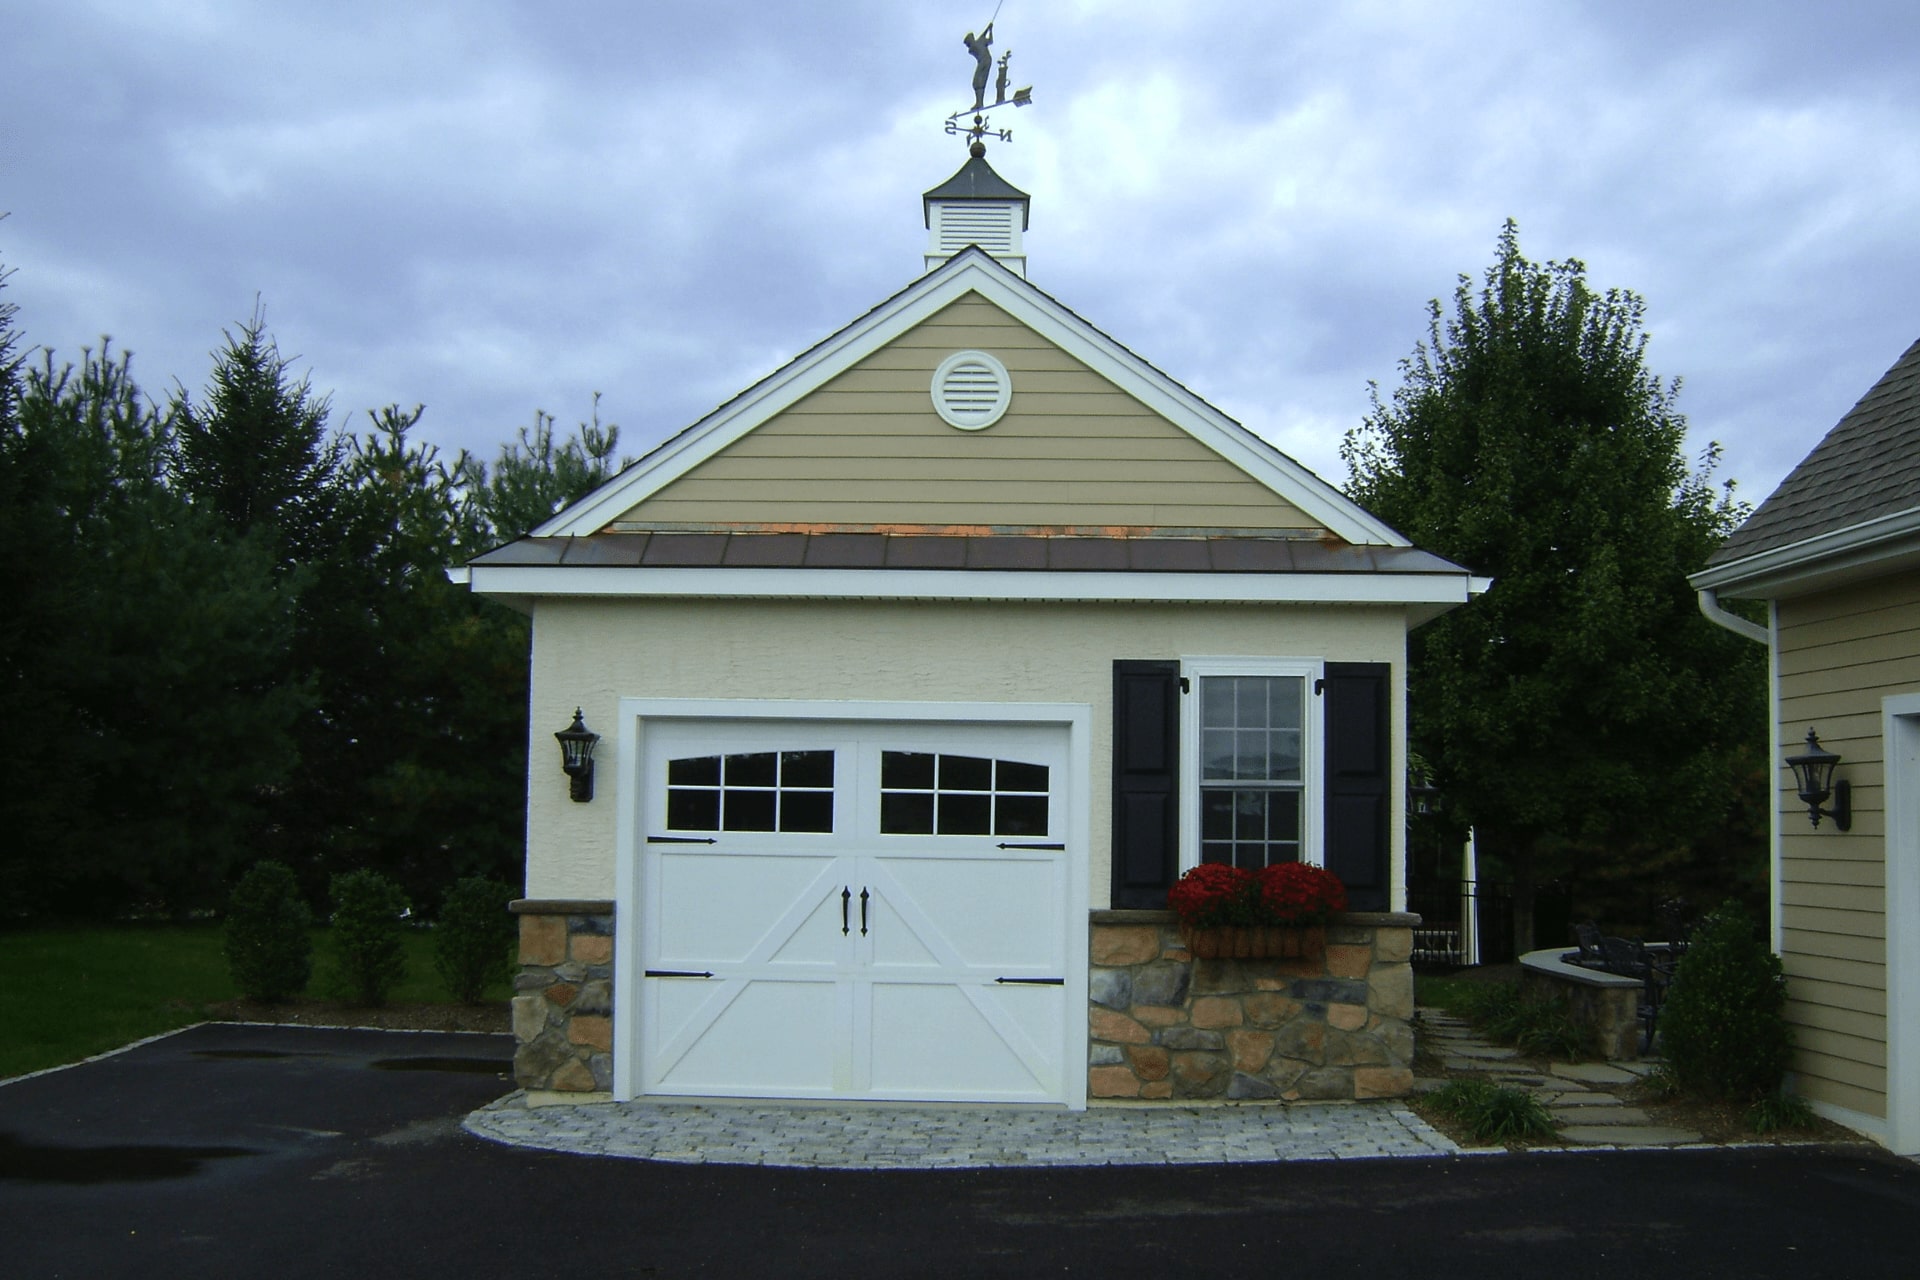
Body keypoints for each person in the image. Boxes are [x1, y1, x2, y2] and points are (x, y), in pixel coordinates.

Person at [964, 23, 994, 110]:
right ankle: (979, 102)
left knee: (978, 82)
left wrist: (989, 30)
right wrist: (989, 29)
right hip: (984, 61)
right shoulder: (972, 48)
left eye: (968, 42)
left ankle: (979, 103)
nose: (967, 45)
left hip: (985, 61)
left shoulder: (978, 42)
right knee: (977, 83)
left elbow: (988, 40)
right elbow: (983, 38)